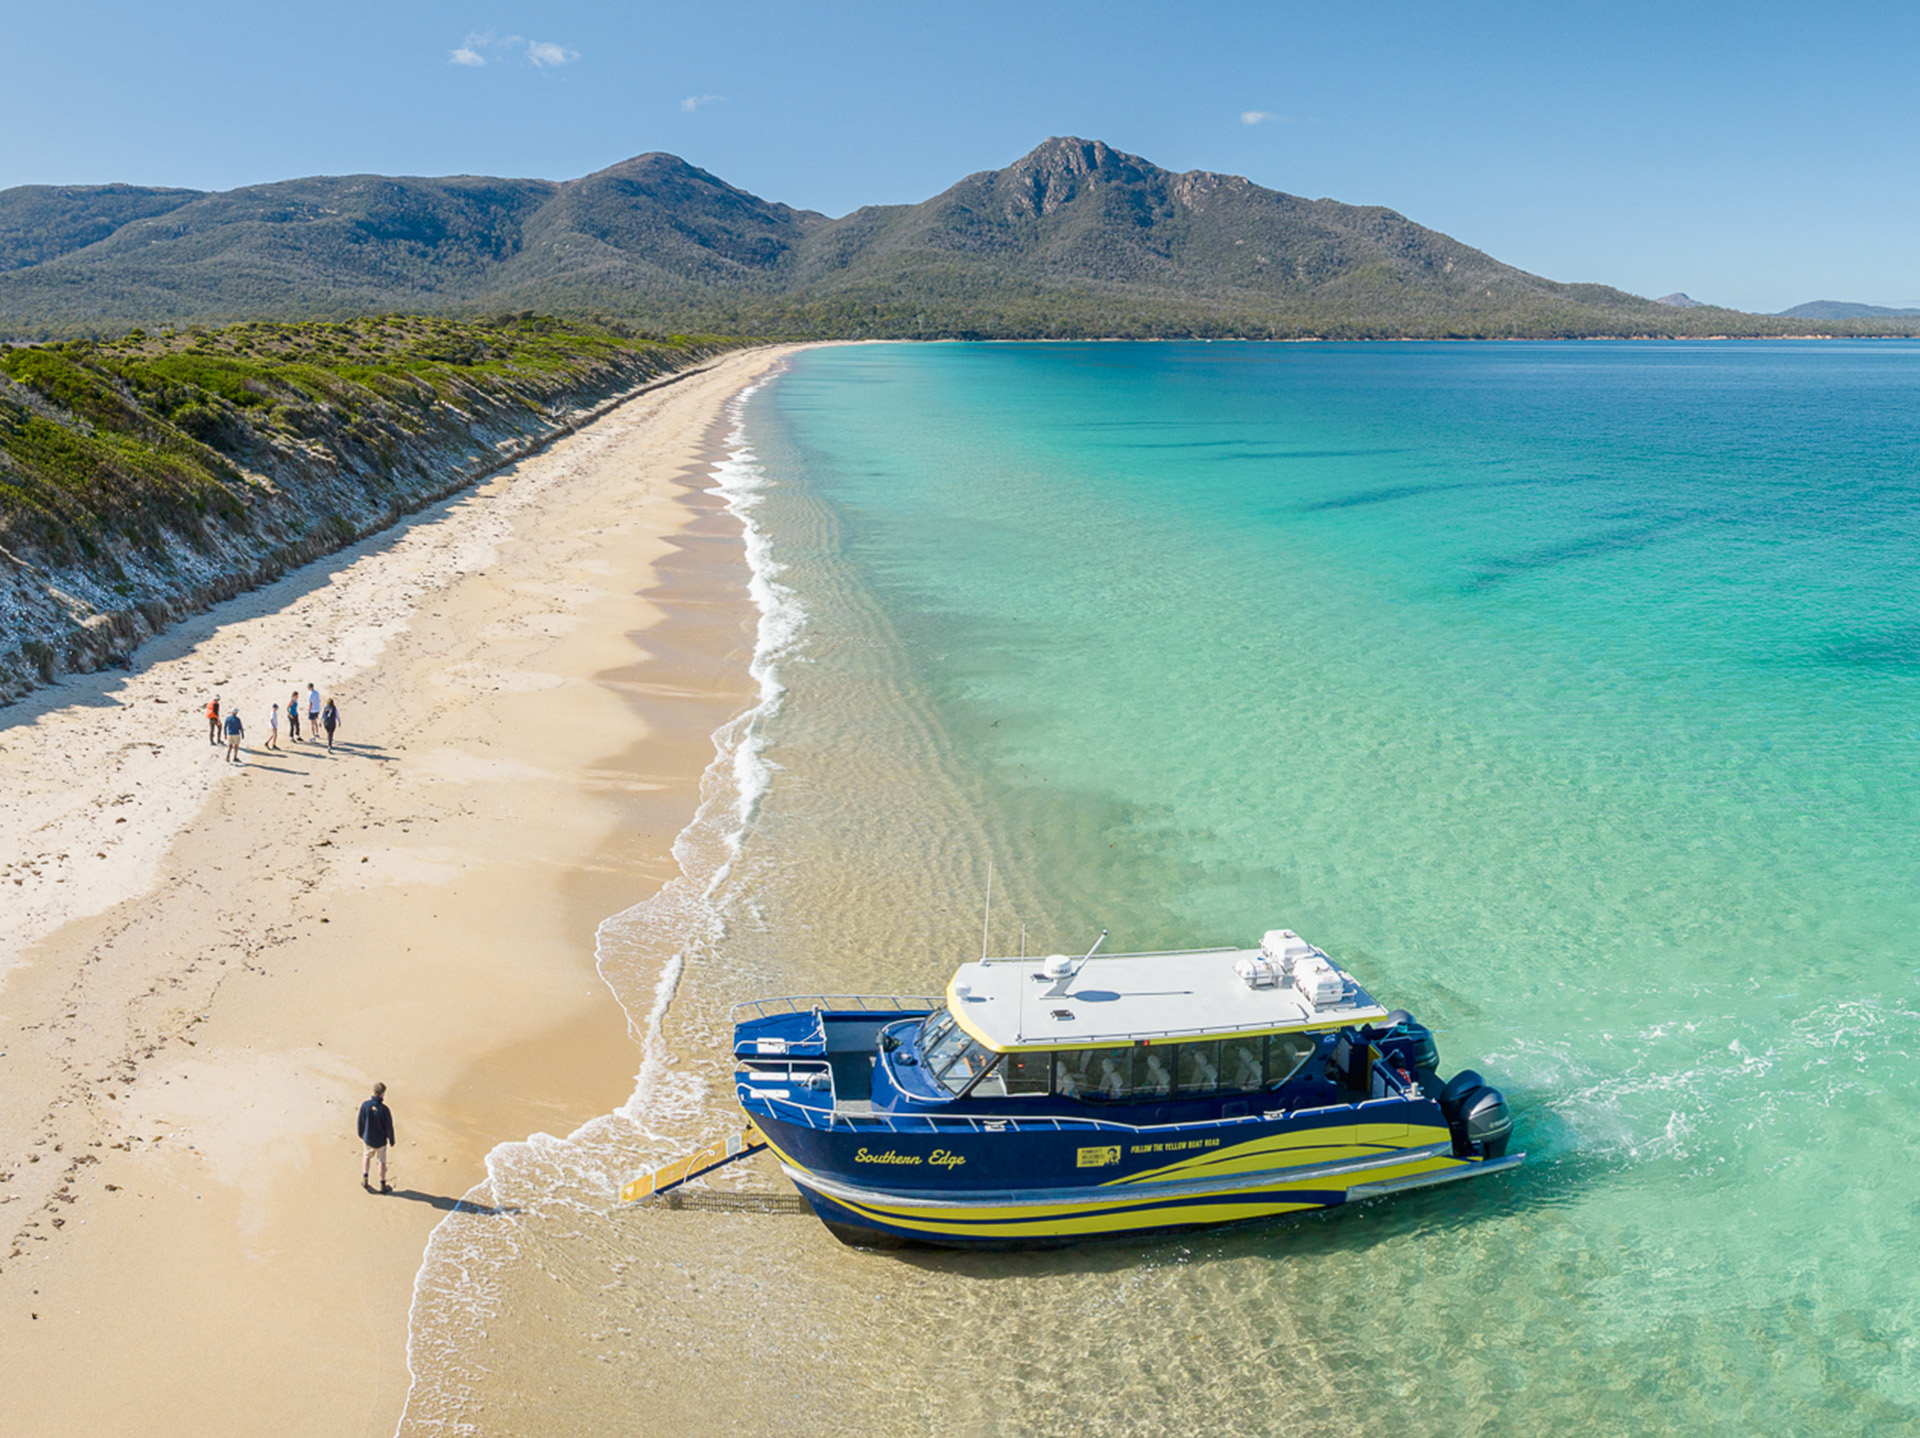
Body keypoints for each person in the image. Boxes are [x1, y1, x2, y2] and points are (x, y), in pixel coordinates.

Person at [357, 1082, 395, 1193]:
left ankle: (365, 1178)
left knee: (366, 1156)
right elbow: (389, 1126)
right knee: (381, 1161)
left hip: (368, 1138)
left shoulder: (365, 1106)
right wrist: (391, 1139)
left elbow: (360, 1121)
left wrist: (360, 1133)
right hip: (380, 1141)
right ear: (382, 1094)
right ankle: (382, 1184)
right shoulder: (384, 1109)